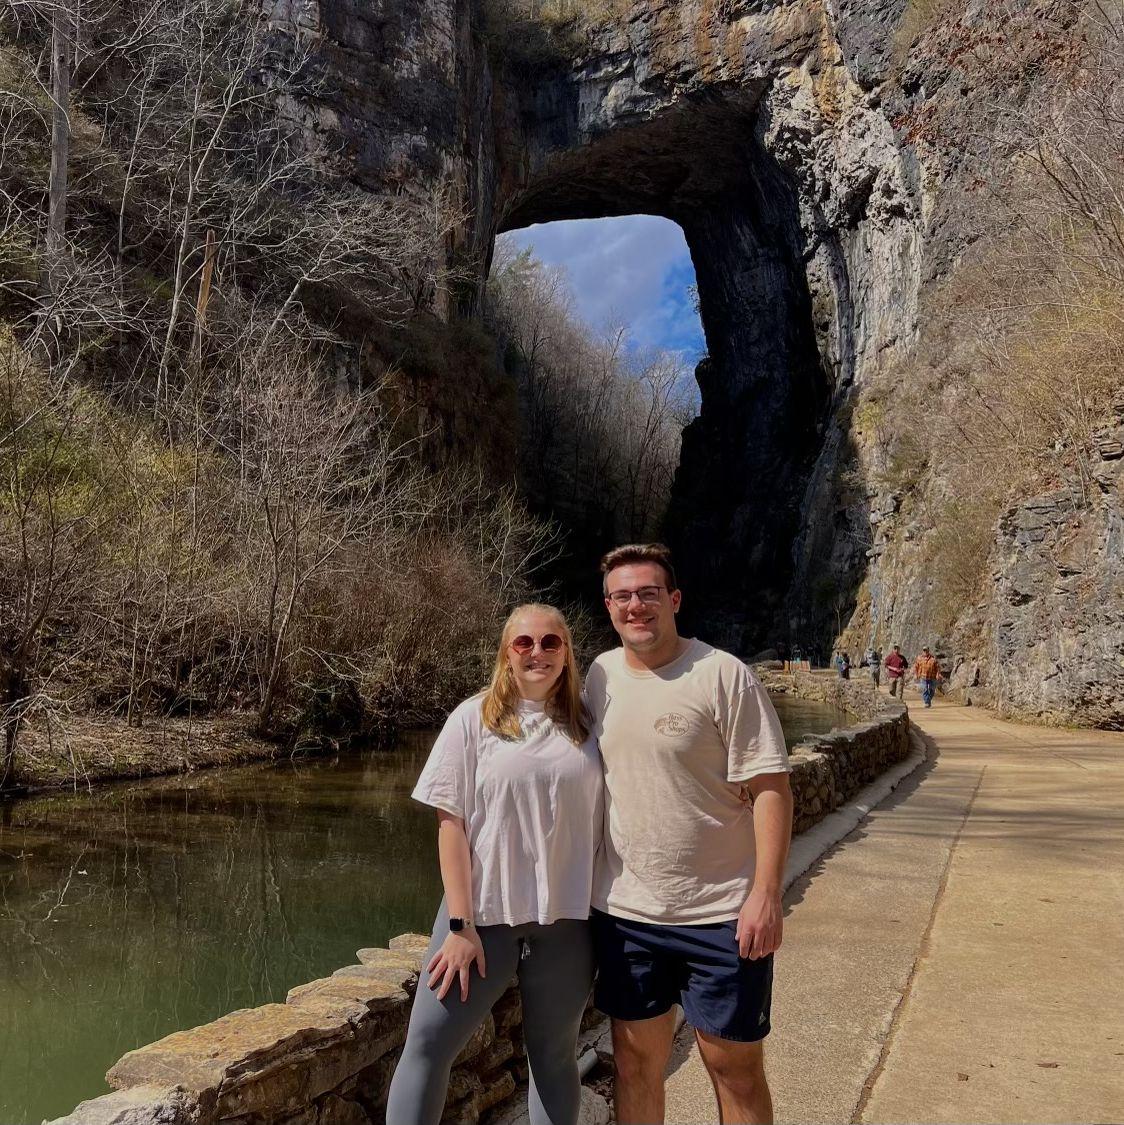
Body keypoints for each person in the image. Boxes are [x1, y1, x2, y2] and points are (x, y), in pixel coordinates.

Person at [584, 544, 793, 1125]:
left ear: (673, 600)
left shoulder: (722, 674)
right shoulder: (597, 677)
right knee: (633, 1062)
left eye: (649, 593)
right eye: (623, 596)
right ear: (608, 607)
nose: (637, 606)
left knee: (733, 1068)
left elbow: (771, 789)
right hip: (627, 914)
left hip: (721, 912)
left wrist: (766, 894)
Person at [386, 604, 603, 1125]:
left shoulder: (590, 724)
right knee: (428, 1048)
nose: (538, 653)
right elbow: (450, 824)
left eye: (552, 642)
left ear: (568, 654)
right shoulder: (474, 718)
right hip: (481, 919)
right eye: (524, 643)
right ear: (506, 653)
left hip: (567, 924)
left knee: (553, 1058)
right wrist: (460, 925)